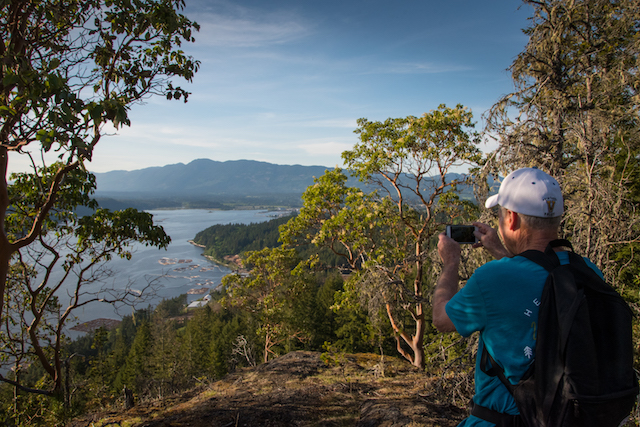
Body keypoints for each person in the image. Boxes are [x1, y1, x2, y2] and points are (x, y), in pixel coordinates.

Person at [432, 167, 602, 426]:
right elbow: (539, 277)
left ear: (511, 219)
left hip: (502, 420)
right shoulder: (588, 271)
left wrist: (451, 262)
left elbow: (442, 319)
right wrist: (501, 251)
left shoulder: (492, 278)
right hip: (571, 417)